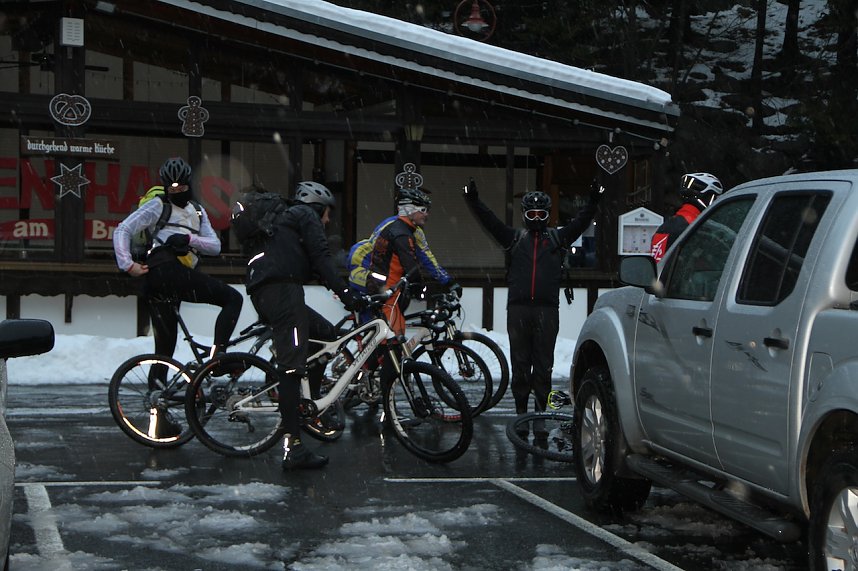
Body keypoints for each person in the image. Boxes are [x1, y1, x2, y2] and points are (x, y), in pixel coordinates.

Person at [113, 157, 244, 436]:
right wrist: (127, 265)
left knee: (164, 353)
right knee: (233, 298)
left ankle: (158, 421)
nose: (176, 192)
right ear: (164, 187)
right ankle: (218, 358)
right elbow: (123, 229)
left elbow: (215, 246)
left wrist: (189, 240)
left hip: (166, 281)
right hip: (165, 272)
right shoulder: (157, 206)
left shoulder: (197, 211)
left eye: (181, 186)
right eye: (171, 187)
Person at [243, 180, 363, 470]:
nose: (327, 219)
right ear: (317, 206)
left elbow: (313, 264)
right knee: (291, 369)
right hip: (283, 293)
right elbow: (321, 259)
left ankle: (311, 399)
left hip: (271, 292)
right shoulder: (305, 215)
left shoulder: (285, 223)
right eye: (327, 213)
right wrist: (348, 295)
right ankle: (293, 448)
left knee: (325, 334)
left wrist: (341, 287)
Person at [462, 178, 603, 417]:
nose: (536, 219)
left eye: (541, 214)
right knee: (520, 364)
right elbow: (490, 222)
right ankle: (520, 411)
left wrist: (593, 201)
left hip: (547, 311)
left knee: (543, 364)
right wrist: (473, 199)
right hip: (518, 310)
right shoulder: (514, 238)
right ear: (525, 214)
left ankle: (539, 411)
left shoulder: (558, 238)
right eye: (532, 214)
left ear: (547, 215)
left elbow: (582, 221)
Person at [364, 187, 440, 336]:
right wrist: (422, 290)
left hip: (383, 290)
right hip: (387, 294)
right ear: (409, 209)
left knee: (387, 341)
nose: (427, 214)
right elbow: (411, 267)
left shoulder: (398, 229)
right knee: (394, 341)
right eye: (423, 210)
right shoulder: (402, 235)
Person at [650, 172, 724, 262]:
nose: (715, 202)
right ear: (707, 198)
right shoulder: (697, 227)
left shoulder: (667, 226)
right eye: (715, 198)